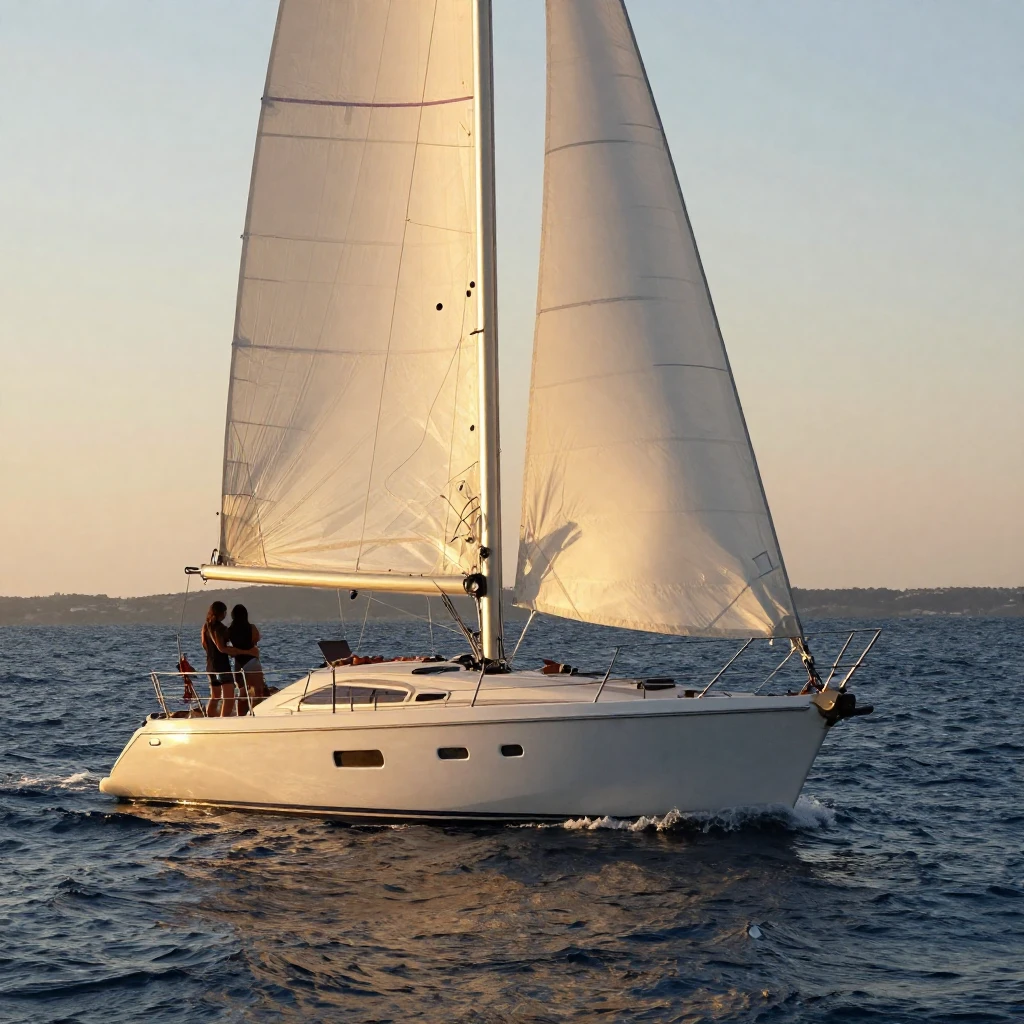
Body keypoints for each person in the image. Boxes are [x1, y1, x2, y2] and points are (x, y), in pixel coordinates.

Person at [228, 604, 266, 712]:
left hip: (238, 662)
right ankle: (255, 713)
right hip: (251, 661)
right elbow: (256, 639)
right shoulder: (251, 627)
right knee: (257, 692)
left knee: (242, 692)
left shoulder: (229, 630)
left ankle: (241, 715)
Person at [201, 601, 235, 716]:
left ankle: (209, 718)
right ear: (222, 613)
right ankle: (223, 720)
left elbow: (204, 644)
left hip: (210, 666)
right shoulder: (220, 628)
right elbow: (222, 648)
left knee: (215, 697)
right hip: (222, 666)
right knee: (229, 698)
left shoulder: (205, 627)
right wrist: (237, 651)